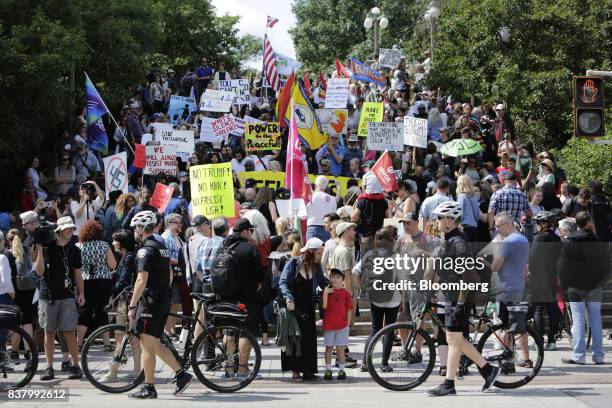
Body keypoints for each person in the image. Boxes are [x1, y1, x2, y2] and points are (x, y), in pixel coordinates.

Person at [425, 202, 501, 396]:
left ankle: (449, 383)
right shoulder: (450, 239)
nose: (436, 221)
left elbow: (468, 275)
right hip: (452, 294)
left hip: (459, 296)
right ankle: (487, 369)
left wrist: (460, 302)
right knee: (454, 339)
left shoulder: (459, 242)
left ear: (450, 220)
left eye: (439, 218)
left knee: (453, 340)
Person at [127, 210, 192, 398]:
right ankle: (181, 374)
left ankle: (149, 387)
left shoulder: (145, 249)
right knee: (154, 343)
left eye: (135, 227)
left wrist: (132, 305)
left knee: (147, 345)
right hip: (162, 299)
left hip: (150, 302)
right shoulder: (161, 246)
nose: (134, 231)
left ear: (141, 228)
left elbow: (141, 279)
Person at [33, 216, 86, 381]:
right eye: (68, 228)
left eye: (72, 228)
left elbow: (78, 275)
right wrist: (40, 251)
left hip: (68, 295)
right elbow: (39, 271)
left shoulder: (74, 250)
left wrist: (81, 293)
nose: (71, 231)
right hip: (48, 295)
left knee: (69, 332)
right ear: (59, 231)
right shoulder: (48, 247)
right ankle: (49, 368)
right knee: (49, 333)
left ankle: (76, 366)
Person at [216, 218, 265, 380]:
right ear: (243, 232)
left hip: (225, 297)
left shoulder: (222, 246)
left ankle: (229, 370)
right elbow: (260, 275)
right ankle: (243, 371)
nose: (252, 233)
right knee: (246, 332)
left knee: (229, 331)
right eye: (251, 231)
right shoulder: (250, 249)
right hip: (247, 298)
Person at [559, 212, 609, 365]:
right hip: (594, 286)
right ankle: (598, 355)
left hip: (575, 286)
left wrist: (566, 285)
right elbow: (606, 265)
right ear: (588, 222)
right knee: (595, 319)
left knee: (579, 321)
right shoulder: (597, 241)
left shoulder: (569, 242)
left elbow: (562, 266)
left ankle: (579, 355)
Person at [279, 237, 328, 381]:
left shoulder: (317, 267)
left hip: (308, 306)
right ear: (310, 253)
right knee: (294, 339)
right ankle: (295, 371)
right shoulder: (293, 263)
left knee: (309, 339)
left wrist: (333, 286)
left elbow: (322, 283)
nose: (320, 256)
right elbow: (283, 282)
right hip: (293, 307)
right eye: (319, 253)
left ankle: (308, 371)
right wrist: (289, 299)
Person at [355, 226, 403, 372]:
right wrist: (403, 297)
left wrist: (362, 288)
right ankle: (384, 364)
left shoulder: (369, 254)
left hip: (375, 296)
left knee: (375, 329)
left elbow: (355, 272)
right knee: (389, 330)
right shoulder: (396, 256)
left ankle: (365, 363)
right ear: (390, 241)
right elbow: (401, 279)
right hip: (393, 297)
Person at [490, 212, 532, 372]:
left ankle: (507, 361)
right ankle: (524, 357)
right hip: (517, 286)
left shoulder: (508, 242)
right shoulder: (522, 239)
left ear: (508, 224)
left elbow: (495, 266)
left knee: (505, 327)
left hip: (505, 289)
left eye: (499, 226)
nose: (496, 229)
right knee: (517, 324)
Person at [102, 229, 140, 383]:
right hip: (130, 301)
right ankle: (137, 371)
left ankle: (113, 372)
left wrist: (109, 290)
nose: (112, 243)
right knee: (130, 337)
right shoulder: (128, 256)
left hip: (126, 301)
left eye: (115, 240)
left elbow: (123, 281)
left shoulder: (128, 258)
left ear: (121, 243)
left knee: (120, 336)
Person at [76, 220, 117, 349]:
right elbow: (113, 265)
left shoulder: (78, 246)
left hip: (85, 281)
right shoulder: (104, 245)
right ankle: (107, 343)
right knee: (101, 311)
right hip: (103, 281)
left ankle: (78, 343)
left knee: (84, 312)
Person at [529, 211, 562, 351]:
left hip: (539, 276)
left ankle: (539, 339)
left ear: (543, 224)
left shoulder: (539, 238)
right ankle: (552, 339)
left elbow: (534, 258)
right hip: (552, 275)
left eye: (538, 223)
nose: (536, 226)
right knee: (551, 307)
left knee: (538, 308)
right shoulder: (556, 238)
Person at [5, 229, 37, 365]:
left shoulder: (7, 254)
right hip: (29, 289)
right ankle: (29, 352)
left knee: (16, 323)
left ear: (8, 240)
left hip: (14, 291)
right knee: (27, 321)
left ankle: (15, 351)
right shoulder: (27, 250)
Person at [322, 268, 353, 381]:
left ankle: (341, 370)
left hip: (342, 326)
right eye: (333, 277)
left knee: (340, 349)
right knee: (329, 348)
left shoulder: (345, 293)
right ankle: (328, 370)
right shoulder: (328, 291)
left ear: (342, 280)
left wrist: (348, 324)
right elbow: (324, 306)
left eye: (338, 277)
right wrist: (325, 293)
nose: (335, 279)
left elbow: (349, 309)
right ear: (330, 278)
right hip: (329, 326)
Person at [0, 231, 15, 369]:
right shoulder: (2, 258)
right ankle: (2, 362)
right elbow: (5, 279)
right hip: (3, 296)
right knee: (3, 331)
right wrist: (12, 292)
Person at [306, 176, 338, 242]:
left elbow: (304, 211)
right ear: (326, 187)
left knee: (312, 251)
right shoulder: (332, 199)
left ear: (315, 184)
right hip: (326, 229)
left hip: (313, 227)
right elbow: (334, 214)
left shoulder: (311, 196)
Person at [456, 175, 482, 242]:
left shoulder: (461, 196)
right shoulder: (474, 196)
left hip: (465, 227)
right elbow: (477, 216)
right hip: (474, 227)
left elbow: (460, 214)